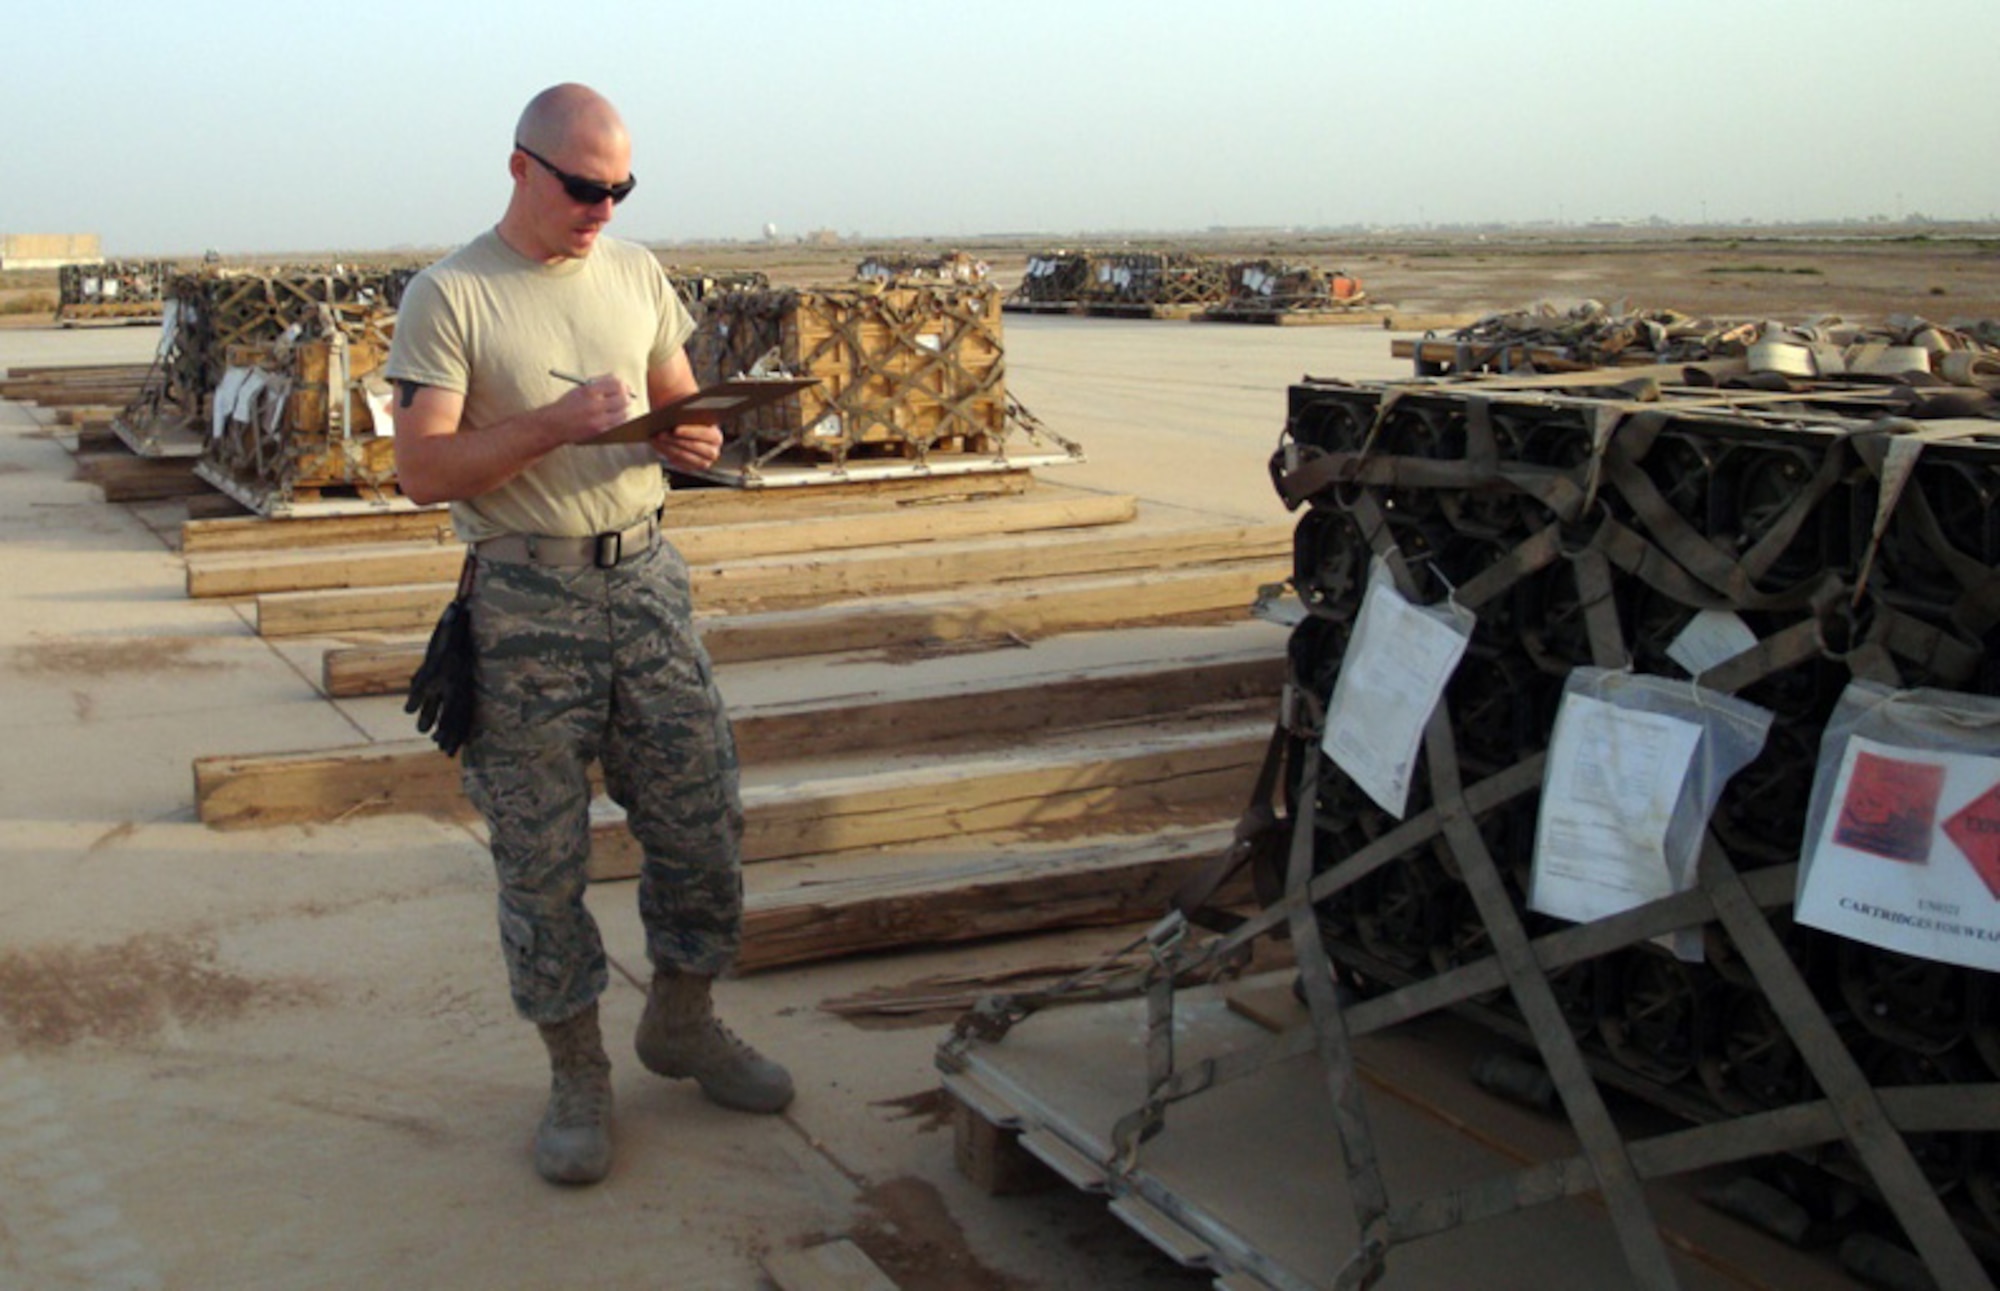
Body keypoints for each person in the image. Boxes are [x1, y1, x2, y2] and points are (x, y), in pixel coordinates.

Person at [384, 82, 792, 1187]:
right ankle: (575, 1073)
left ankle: (682, 1020)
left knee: (702, 820)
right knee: (540, 858)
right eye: (582, 188)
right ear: (520, 167)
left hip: (646, 584)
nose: (601, 210)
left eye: (620, 190)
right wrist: (549, 426)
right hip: (524, 608)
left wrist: (691, 433)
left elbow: (672, 404)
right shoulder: (451, 294)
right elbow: (419, 468)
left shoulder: (635, 273)